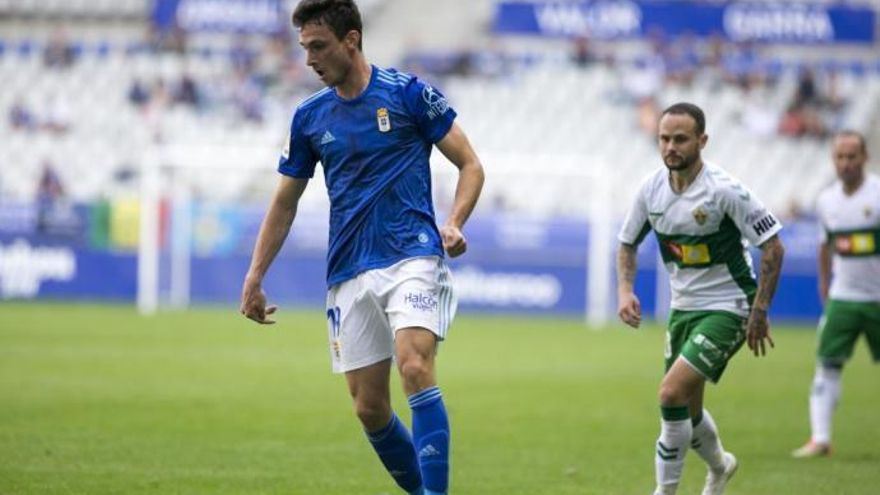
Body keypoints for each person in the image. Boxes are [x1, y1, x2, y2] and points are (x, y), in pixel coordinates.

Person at [239, 2, 484, 494]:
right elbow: (285, 202)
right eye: (304, 47)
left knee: (414, 365)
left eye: (318, 46)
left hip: (412, 254)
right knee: (369, 408)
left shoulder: (408, 94)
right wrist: (254, 276)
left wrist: (453, 223)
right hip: (349, 268)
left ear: (351, 40)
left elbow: (471, 165)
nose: (308, 59)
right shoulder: (309, 118)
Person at [616, 102, 785, 495]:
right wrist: (625, 291)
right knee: (686, 412)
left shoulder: (725, 191)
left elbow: (774, 247)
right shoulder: (650, 189)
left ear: (701, 141)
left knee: (669, 393)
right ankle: (720, 466)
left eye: (680, 139)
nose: (671, 147)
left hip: (730, 307)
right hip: (683, 310)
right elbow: (626, 244)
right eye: (664, 138)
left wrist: (759, 311)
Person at [792, 130, 880, 458]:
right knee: (826, 365)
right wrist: (824, 284)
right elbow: (824, 245)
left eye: (851, 157)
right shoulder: (827, 200)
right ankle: (821, 438)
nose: (845, 164)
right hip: (844, 297)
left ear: (864, 157)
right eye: (839, 157)